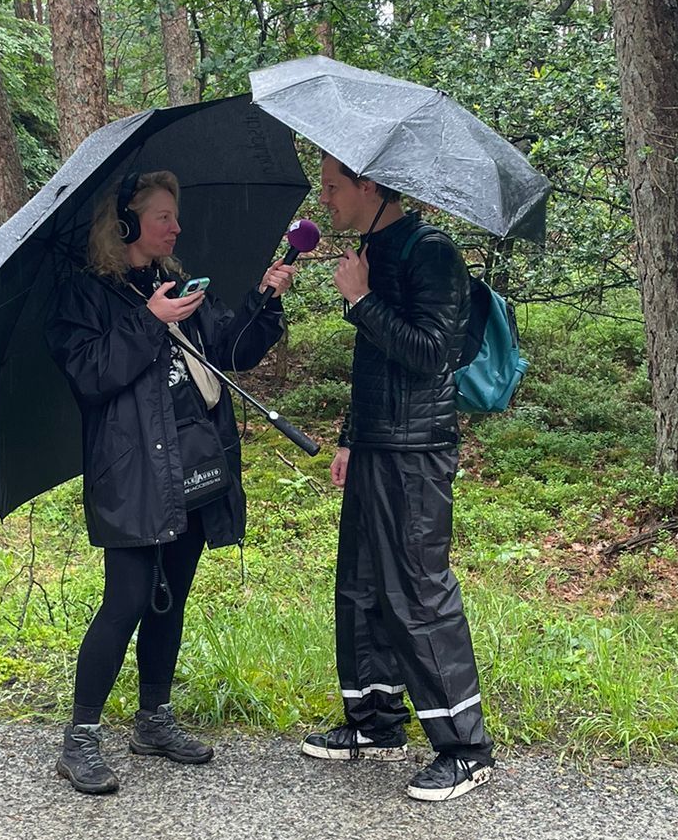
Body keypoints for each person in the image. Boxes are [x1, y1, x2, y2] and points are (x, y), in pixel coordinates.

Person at [46, 170, 297, 796]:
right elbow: (90, 375)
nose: (176, 227)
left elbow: (230, 353)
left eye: (175, 216)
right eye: (164, 216)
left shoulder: (176, 286)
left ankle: (153, 719)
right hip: (131, 471)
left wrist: (264, 302)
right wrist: (149, 320)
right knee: (127, 598)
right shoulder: (86, 294)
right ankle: (80, 739)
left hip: (192, 462)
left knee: (170, 595)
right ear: (126, 223)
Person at [302, 155, 495, 803]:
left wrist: (361, 301)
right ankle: (375, 720)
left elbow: (430, 354)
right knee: (360, 586)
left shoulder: (431, 252)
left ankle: (466, 749)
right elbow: (374, 364)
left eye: (333, 187)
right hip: (376, 444)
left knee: (418, 592)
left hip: (416, 452)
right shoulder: (372, 251)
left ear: (369, 186)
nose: (325, 199)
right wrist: (350, 437)